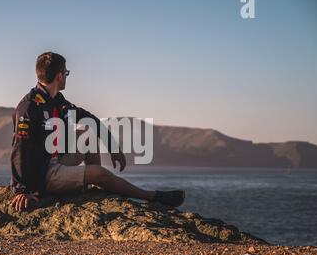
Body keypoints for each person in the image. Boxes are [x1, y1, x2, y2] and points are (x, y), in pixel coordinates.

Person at [10, 52, 185, 211]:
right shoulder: (29, 107)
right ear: (60, 76)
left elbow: (91, 120)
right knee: (99, 173)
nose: (66, 77)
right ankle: (153, 196)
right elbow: (20, 149)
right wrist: (22, 190)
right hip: (43, 173)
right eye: (66, 73)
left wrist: (113, 148)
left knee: (88, 135)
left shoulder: (58, 101)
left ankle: (97, 184)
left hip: (57, 159)